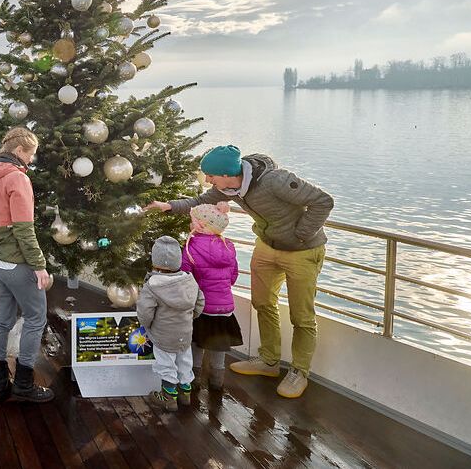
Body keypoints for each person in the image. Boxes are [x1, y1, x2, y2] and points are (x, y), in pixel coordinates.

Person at [144, 145, 334, 398]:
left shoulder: (275, 181)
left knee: (302, 316)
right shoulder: (229, 188)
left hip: (302, 250)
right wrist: (168, 205)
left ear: (225, 173)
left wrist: (299, 235)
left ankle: (299, 371)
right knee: (263, 303)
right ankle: (269, 361)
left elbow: (323, 201)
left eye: (210, 175)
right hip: (267, 248)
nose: (208, 180)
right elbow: (200, 201)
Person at [0, 126, 54, 403]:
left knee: (2, 321)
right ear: (19, 151)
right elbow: (24, 230)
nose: (31, 160)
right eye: (30, 154)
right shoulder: (18, 180)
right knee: (35, 318)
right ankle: (23, 384)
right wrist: (39, 266)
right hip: (13, 262)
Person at [137, 236, 204, 411]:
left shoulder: (152, 286)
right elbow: (200, 303)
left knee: (166, 364)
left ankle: (168, 397)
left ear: (155, 262)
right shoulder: (190, 280)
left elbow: (145, 311)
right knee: (184, 362)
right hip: (185, 333)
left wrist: (146, 325)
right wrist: (191, 317)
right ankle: (185, 394)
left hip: (163, 335)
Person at [180, 202, 243, 390]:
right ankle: (217, 380)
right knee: (219, 345)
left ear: (200, 224)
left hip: (202, 307)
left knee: (198, 341)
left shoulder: (191, 246)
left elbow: (185, 274)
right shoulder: (228, 246)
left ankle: (194, 378)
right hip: (224, 308)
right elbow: (233, 276)